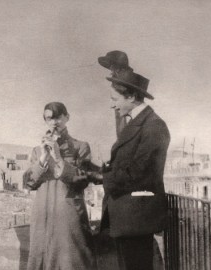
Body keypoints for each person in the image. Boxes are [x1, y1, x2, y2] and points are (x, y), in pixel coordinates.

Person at [88, 59, 170, 270]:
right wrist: (98, 170)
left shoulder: (154, 126)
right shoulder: (138, 123)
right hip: (129, 216)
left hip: (137, 217)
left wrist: (101, 177)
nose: (112, 104)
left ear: (132, 97)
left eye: (115, 99)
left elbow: (138, 172)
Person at [23, 102, 96, 270]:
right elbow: (29, 183)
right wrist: (43, 158)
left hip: (68, 216)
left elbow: (83, 180)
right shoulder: (37, 151)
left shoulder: (80, 146)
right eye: (49, 118)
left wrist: (58, 158)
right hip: (43, 216)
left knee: (71, 261)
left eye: (58, 117)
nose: (54, 122)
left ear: (67, 117)